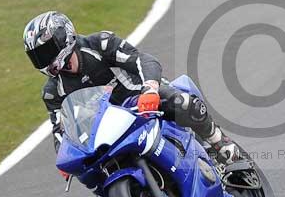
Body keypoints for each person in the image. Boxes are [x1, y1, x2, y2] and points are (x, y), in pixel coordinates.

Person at [23, 11, 241, 164]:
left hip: (140, 101)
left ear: (65, 37)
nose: (44, 60)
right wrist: (64, 157)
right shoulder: (53, 92)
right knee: (92, 172)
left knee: (181, 101)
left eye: (46, 51)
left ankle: (218, 141)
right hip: (106, 130)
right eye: (37, 56)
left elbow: (143, 60)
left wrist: (150, 89)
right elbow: (60, 130)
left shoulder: (100, 44)